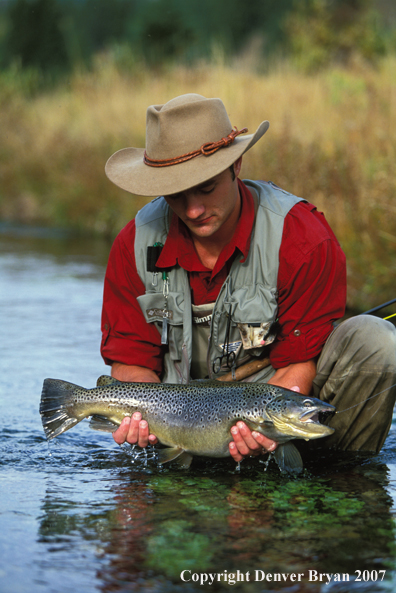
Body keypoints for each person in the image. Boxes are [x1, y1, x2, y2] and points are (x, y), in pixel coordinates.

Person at [101, 93, 396, 464]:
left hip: (268, 402)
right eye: (176, 195)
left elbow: (297, 363)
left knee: (378, 341)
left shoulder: (302, 238)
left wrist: (259, 428)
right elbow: (131, 362)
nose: (193, 210)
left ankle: (342, 479)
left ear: (236, 165)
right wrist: (144, 421)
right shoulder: (133, 244)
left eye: (206, 187)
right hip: (179, 422)